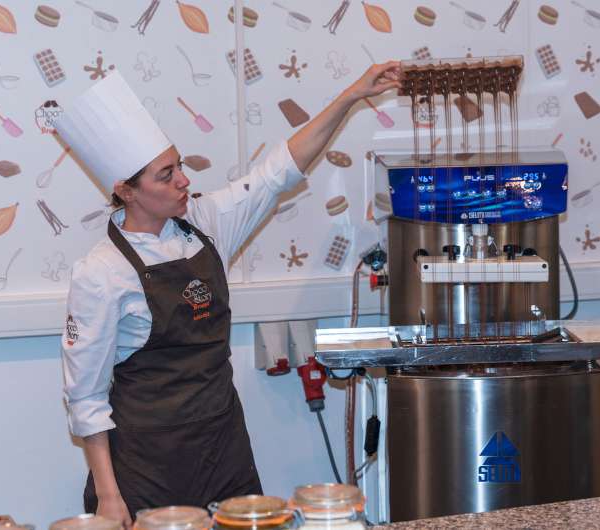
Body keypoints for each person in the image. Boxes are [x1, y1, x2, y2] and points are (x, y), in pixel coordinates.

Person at [55, 63, 401, 529]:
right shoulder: (101, 273)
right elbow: (86, 397)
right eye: (165, 175)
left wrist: (351, 96)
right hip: (145, 466)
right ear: (126, 191)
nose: (183, 180)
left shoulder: (204, 224)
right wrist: (108, 496)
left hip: (224, 450)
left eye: (178, 165)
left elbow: (278, 170)